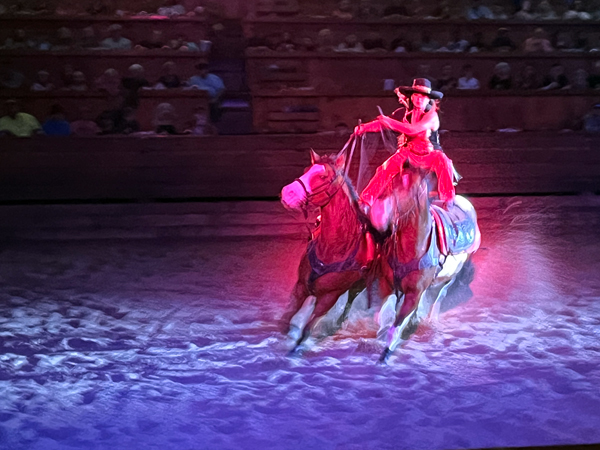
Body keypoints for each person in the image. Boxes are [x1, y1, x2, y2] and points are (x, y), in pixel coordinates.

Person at [354, 78, 456, 207]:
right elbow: (382, 124)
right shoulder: (403, 113)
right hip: (408, 152)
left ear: (428, 99)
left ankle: (447, 200)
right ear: (412, 97)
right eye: (416, 95)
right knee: (385, 168)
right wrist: (363, 128)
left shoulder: (432, 115)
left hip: (428, 155)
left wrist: (389, 122)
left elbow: (413, 130)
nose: (419, 99)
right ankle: (366, 200)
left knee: (443, 161)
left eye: (423, 96)